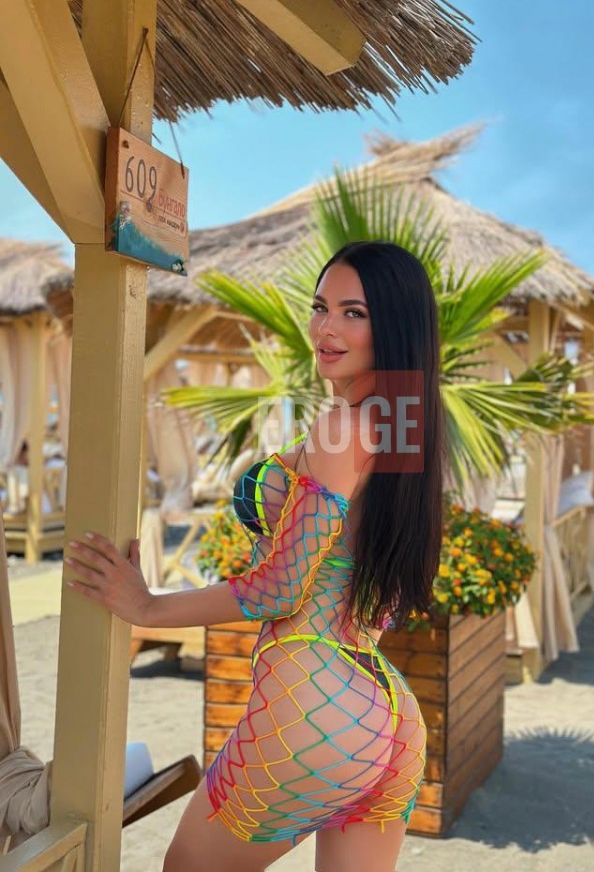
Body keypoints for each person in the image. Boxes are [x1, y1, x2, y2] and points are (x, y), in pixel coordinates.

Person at [66, 241, 447, 872]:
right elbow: (373, 591)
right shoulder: (405, 428)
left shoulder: (343, 427)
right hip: (389, 715)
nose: (325, 328)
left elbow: (279, 589)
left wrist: (147, 607)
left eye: (354, 313)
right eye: (320, 307)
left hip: (313, 704)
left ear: (395, 326)